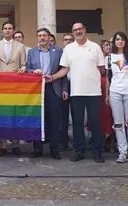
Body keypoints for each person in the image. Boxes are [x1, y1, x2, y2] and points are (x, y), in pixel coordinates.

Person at [52, 22, 106, 163]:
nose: (78, 31)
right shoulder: (68, 48)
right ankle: (78, 151)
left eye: (80, 29)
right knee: (77, 122)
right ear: (73, 32)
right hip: (76, 92)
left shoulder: (95, 47)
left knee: (95, 122)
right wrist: (52, 77)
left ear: (84, 30)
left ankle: (97, 152)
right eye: (75, 30)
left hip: (94, 91)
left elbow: (102, 68)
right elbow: (65, 69)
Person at [29, 28, 67, 160]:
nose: (42, 38)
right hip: (37, 89)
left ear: (49, 37)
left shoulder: (58, 51)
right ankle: (37, 149)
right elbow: (28, 68)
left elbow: (63, 71)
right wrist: (33, 71)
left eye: (44, 35)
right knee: (37, 118)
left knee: (54, 119)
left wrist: (64, 89)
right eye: (40, 35)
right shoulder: (32, 52)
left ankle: (54, 149)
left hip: (53, 87)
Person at [0, 21, 27, 156]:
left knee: (15, 114)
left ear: (13, 30)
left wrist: (23, 68)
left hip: (15, 85)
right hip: (0, 85)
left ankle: (16, 144)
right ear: (2, 30)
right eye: (5, 28)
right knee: (2, 115)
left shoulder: (20, 46)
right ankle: (2, 145)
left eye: (10, 28)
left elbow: (24, 64)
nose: (7, 30)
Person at [106, 31, 128, 163]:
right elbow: (108, 77)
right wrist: (107, 93)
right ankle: (122, 152)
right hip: (115, 92)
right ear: (114, 42)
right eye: (117, 39)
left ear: (126, 41)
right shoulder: (109, 57)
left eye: (122, 39)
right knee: (118, 124)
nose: (119, 41)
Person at [98, 39, 114, 153]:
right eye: (105, 45)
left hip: (111, 87)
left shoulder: (113, 57)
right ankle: (102, 140)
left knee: (112, 115)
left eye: (109, 45)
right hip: (99, 88)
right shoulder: (97, 58)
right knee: (101, 115)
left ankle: (112, 141)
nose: (108, 47)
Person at [59, 33, 75, 149]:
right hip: (64, 86)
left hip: (76, 85)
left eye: (70, 39)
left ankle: (77, 141)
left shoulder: (77, 52)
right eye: (66, 39)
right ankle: (63, 141)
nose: (68, 41)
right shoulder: (60, 53)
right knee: (63, 115)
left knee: (76, 115)